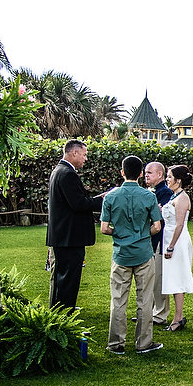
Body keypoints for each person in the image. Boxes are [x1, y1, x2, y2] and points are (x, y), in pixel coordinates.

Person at [101, 155, 163, 355]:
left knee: (118, 299)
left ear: (122, 172)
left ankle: (116, 343)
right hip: (144, 252)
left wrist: (119, 234)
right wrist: (143, 234)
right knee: (144, 299)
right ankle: (143, 343)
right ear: (139, 174)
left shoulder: (111, 196)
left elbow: (104, 228)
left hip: (121, 253)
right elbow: (157, 226)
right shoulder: (148, 196)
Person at [47, 139, 105, 310]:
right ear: (74, 153)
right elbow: (78, 204)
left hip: (63, 235)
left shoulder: (58, 171)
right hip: (69, 237)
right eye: (84, 154)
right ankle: (65, 312)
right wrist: (102, 200)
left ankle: (59, 309)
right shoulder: (67, 174)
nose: (85, 159)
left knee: (62, 277)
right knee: (69, 279)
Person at [161, 165, 193, 331]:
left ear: (178, 180)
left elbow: (180, 224)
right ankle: (177, 317)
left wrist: (171, 246)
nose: (167, 179)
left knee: (178, 279)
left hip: (178, 241)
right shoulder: (174, 196)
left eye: (169, 177)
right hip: (169, 238)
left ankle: (177, 318)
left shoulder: (182, 198)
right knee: (173, 278)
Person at [144, 161, 174, 326]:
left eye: (149, 172)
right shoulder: (152, 192)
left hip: (161, 240)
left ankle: (160, 313)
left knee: (158, 278)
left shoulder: (165, 192)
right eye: (145, 172)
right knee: (149, 278)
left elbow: (162, 217)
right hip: (151, 240)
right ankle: (149, 311)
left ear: (160, 174)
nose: (146, 175)